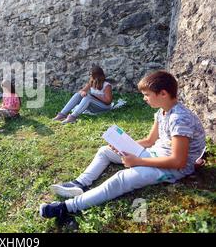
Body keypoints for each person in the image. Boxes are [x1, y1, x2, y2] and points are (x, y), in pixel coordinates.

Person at [39, 71, 206, 223]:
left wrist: (138, 161)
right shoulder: (162, 112)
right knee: (105, 151)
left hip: (172, 168)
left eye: (147, 95)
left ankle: (66, 207)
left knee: (122, 178)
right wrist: (121, 145)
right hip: (155, 154)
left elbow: (178, 162)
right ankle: (80, 183)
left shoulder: (180, 118)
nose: (144, 98)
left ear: (163, 93)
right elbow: (149, 140)